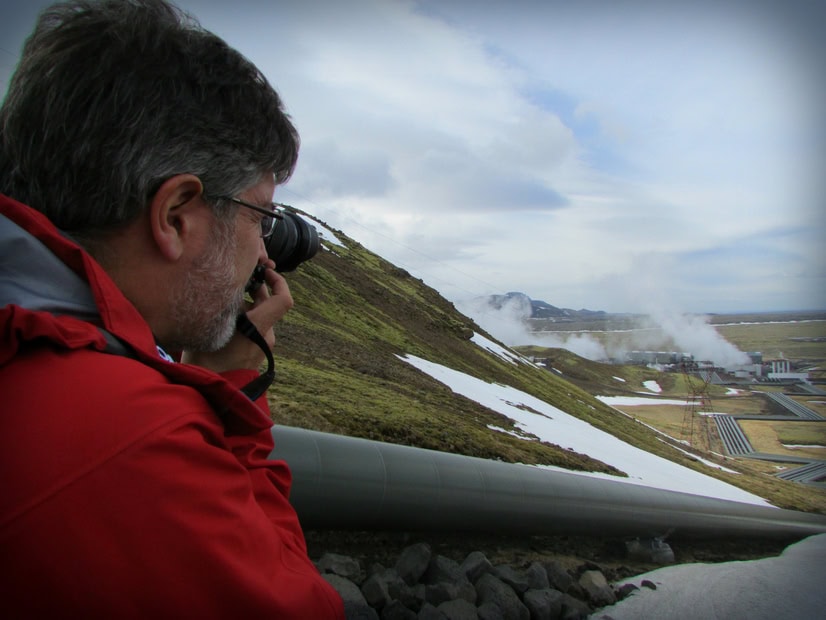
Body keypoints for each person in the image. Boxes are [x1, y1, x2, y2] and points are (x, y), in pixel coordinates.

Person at [0, 0, 344, 617]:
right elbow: (300, 605)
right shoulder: (125, 436)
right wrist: (231, 387)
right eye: (261, 217)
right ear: (175, 215)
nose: (263, 249)